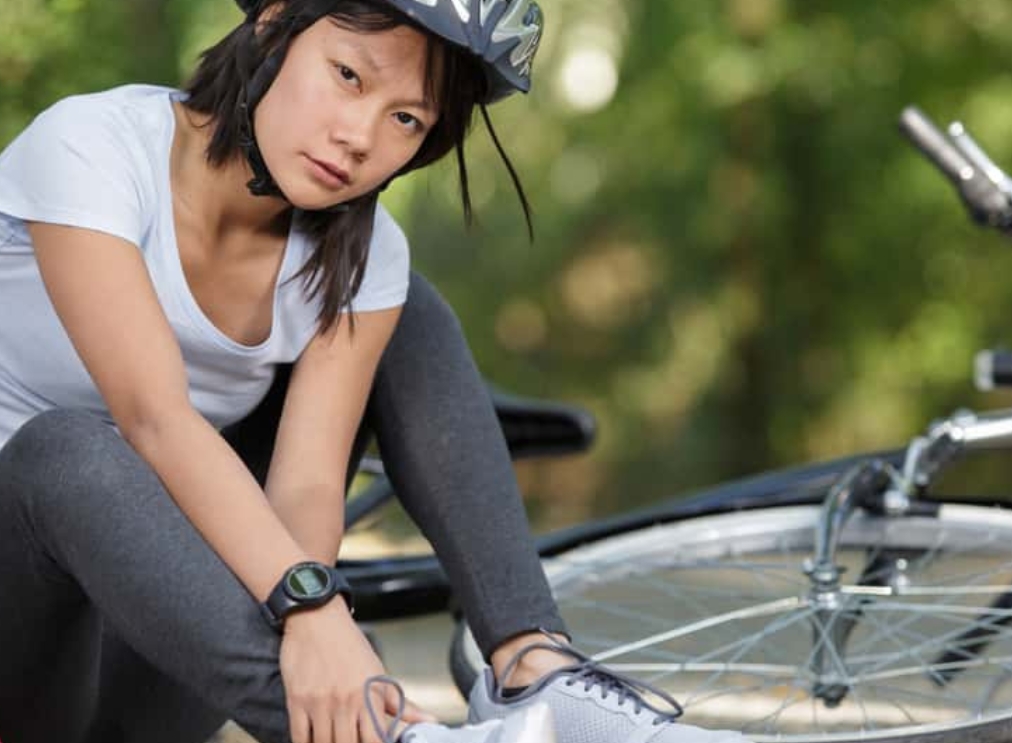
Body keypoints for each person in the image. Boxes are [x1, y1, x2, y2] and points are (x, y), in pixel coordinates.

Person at [0, 1, 750, 742]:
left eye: (406, 120)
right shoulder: (93, 147)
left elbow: (306, 486)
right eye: (348, 75)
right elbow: (154, 417)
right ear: (274, 27)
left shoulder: (364, 259)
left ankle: (534, 669)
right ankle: (396, 740)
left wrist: (319, 644)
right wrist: (310, 606)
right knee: (64, 450)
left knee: (405, 310)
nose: (358, 138)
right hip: (20, 649)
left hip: (166, 646)